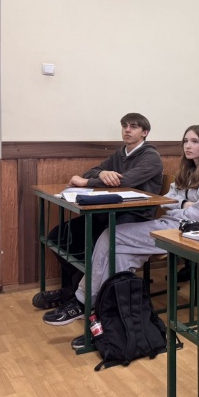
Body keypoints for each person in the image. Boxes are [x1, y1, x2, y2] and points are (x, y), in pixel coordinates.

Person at [41, 125, 199, 348]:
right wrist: (184, 204)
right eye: (185, 141)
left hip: (189, 234)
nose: (188, 146)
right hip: (172, 225)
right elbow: (168, 201)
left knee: (111, 235)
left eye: (195, 141)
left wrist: (178, 205)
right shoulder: (188, 171)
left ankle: (83, 301)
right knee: (120, 256)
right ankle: (110, 322)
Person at [31, 113, 163, 311]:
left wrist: (86, 182)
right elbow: (91, 171)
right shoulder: (120, 154)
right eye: (124, 126)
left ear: (145, 132)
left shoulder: (151, 156)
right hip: (108, 212)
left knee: (93, 245)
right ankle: (72, 290)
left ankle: (77, 296)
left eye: (134, 127)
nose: (127, 130)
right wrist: (102, 173)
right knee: (58, 236)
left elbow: (126, 181)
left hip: (135, 217)